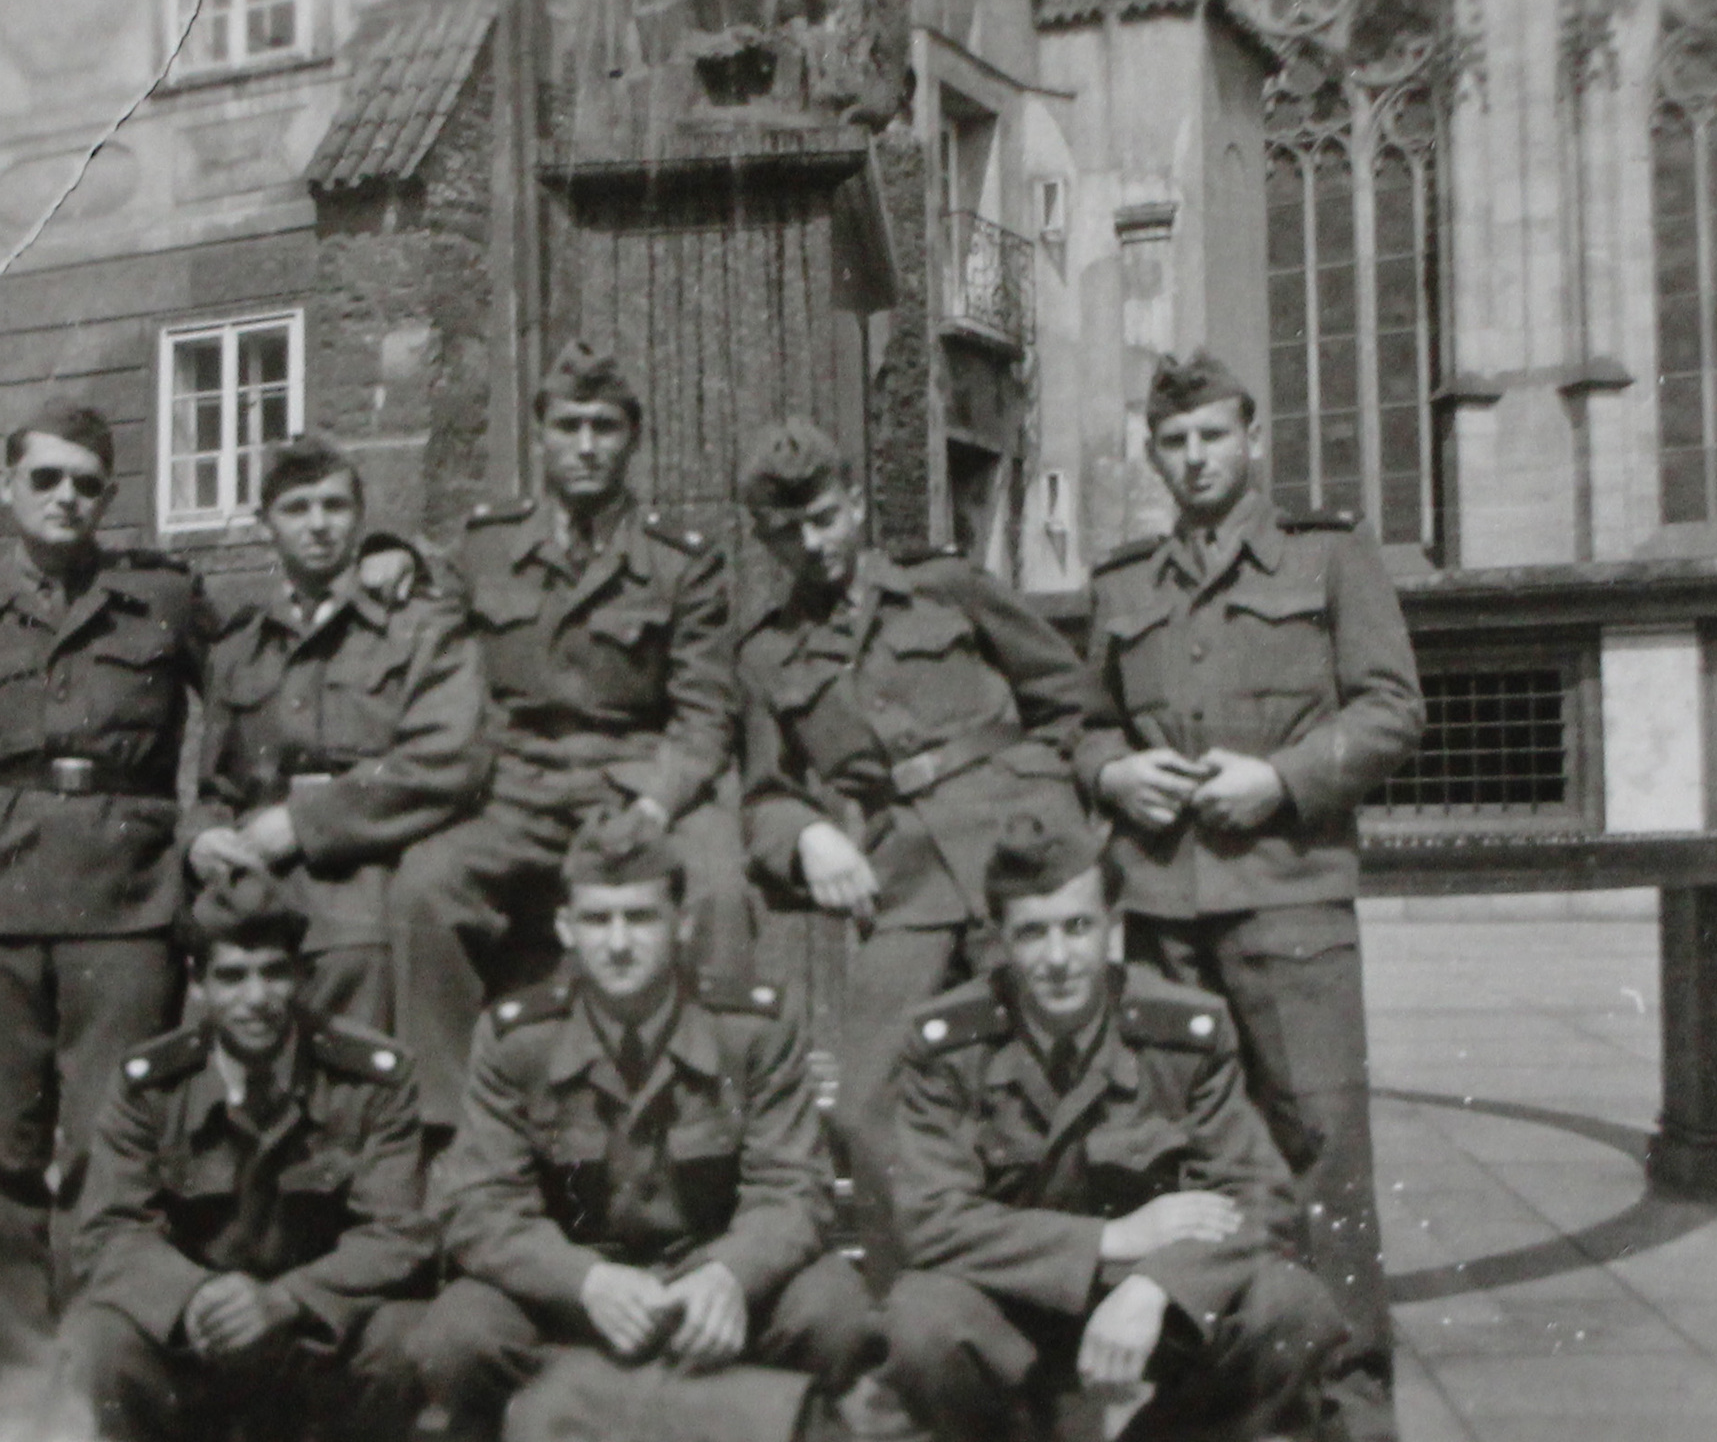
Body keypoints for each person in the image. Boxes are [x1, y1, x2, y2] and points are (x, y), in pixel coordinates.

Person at [1076, 351, 1424, 1440]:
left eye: (1213, 436)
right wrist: (1111, 773)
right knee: (1177, 1157)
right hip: (1160, 916)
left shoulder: (1329, 555)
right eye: (1174, 442)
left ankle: (1350, 1401)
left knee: (1322, 1150)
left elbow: (1391, 708)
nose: (1195, 458)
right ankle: (1211, 1391)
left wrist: (1280, 779)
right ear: (1153, 453)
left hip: (1289, 900)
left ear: (1253, 437)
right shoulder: (1123, 583)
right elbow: (1083, 723)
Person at [0, 401, 214, 1432]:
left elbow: (240, 703)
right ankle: (13, 1390)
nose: (66, 498)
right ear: (7, 488)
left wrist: (196, 827)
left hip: (128, 903)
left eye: (87, 483)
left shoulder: (163, 599)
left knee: (110, 1152)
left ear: (108, 495)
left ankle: (97, 1374)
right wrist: (12, 820)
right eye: (46, 478)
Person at [879, 811, 1349, 1442]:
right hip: (1010, 1316)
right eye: (1032, 933)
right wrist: (1110, 1239)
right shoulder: (950, 1045)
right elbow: (930, 1220)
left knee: (1290, 1306)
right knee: (921, 1319)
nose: (1058, 958)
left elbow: (1261, 1197)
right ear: (1001, 941)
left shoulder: (1183, 1032)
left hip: (1150, 1319)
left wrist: (1158, 1284)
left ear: (1113, 928)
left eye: (1078, 927)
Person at [406, 813, 877, 1441]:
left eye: (641, 917)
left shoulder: (751, 1030)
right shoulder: (518, 1040)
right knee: (458, 1334)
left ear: (682, 924)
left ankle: (585, 1409)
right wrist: (582, 1282)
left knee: (833, 1311)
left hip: (712, 1298)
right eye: (598, 920)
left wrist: (730, 1273)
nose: (619, 942)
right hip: (576, 1301)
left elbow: (793, 1186)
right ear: (566, 929)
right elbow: (481, 1203)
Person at [392, 340, 746, 1130]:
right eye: (569, 425)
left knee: (718, 888)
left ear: (634, 436)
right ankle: (451, 1133)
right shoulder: (485, 548)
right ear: (540, 435)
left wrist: (656, 804)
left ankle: (715, 1120)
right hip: (514, 789)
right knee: (425, 886)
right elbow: (438, 671)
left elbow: (704, 717)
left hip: (638, 782)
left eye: (605, 426)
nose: (586, 446)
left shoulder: (680, 563)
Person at [733, 417, 1100, 1154]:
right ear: (763, 540)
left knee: (1063, 1077)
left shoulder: (946, 587)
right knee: (866, 1106)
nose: (812, 543)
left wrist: (1047, 799)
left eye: (825, 518)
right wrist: (808, 836)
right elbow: (765, 796)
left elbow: (1072, 699)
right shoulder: (767, 656)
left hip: (1027, 855)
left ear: (857, 504)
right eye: (788, 532)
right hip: (907, 885)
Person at [51, 884, 434, 1442]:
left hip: (314, 1335)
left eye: (274, 973)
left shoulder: (372, 1078)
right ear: (198, 983)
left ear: (301, 975)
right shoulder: (149, 1086)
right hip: (199, 1339)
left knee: (405, 1334)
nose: (256, 997)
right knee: (98, 1340)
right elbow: (110, 1229)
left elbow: (398, 1233)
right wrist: (194, 1296)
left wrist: (287, 1298)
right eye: (232, 977)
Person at [185, 439, 489, 1031]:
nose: (318, 524)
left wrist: (303, 825)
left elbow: (448, 759)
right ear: (265, 524)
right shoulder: (240, 646)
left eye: (335, 506)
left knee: (353, 996)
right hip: (257, 882)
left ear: (361, 515)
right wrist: (200, 840)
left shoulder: (420, 623)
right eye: (296, 508)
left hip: (371, 875)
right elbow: (216, 787)